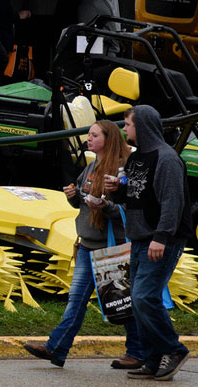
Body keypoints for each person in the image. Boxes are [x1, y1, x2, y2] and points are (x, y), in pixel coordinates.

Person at [23, 120, 145, 368]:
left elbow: (127, 209)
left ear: (108, 139)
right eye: (89, 135)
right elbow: (82, 201)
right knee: (77, 299)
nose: (88, 139)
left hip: (111, 248)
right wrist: (73, 197)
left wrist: (106, 206)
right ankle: (56, 349)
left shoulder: (123, 170)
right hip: (88, 245)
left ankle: (137, 352)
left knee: (122, 301)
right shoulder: (91, 166)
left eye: (94, 135)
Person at [120, 106, 193, 381]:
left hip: (162, 239)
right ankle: (151, 359)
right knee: (138, 302)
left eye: (128, 124)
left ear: (143, 126)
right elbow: (132, 196)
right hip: (140, 238)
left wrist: (160, 237)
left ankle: (173, 349)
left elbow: (173, 201)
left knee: (145, 297)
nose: (125, 129)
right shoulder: (136, 158)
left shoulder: (167, 158)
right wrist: (116, 191)